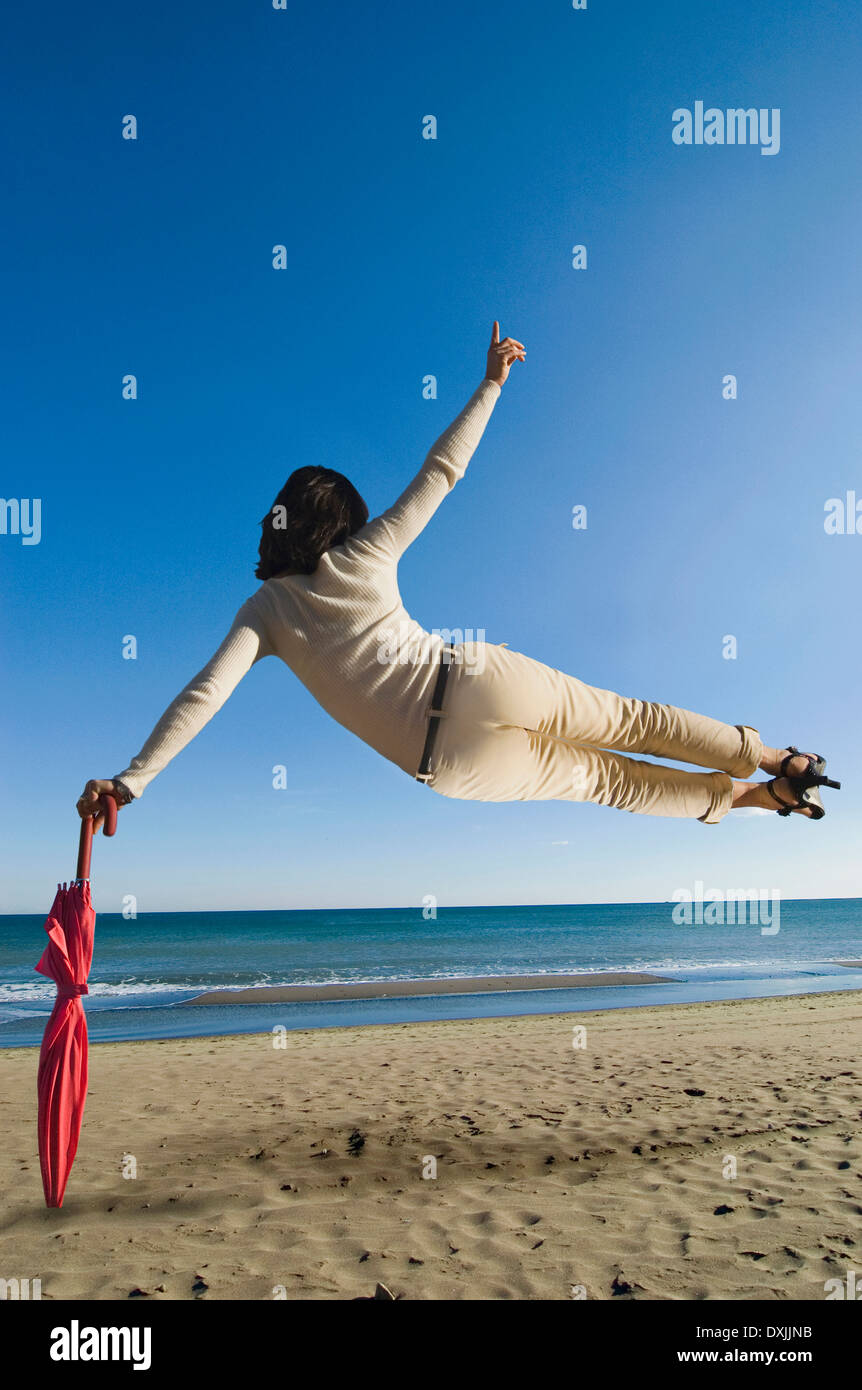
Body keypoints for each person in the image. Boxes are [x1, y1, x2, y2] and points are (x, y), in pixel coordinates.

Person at [77, 322, 840, 834]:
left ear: (286, 522)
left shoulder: (266, 612)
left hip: (450, 765)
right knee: (631, 721)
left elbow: (203, 695)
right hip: (472, 680)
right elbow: (441, 474)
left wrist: (131, 781)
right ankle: (774, 758)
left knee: (611, 783)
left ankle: (754, 798)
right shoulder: (363, 553)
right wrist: (492, 382)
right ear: (335, 521)